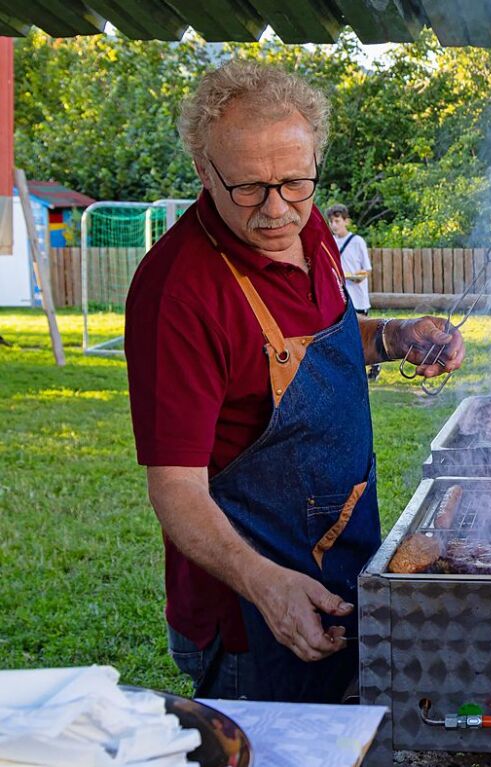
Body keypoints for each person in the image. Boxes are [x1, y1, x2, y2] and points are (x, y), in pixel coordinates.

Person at [123, 60, 464, 703]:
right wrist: (266, 584)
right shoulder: (180, 293)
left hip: (347, 555)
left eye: (294, 182)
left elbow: (327, 334)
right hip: (253, 612)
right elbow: (176, 493)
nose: (277, 210)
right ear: (205, 171)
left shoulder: (311, 230)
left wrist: (391, 337)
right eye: (249, 188)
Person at [325, 204, 379, 380]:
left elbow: (366, 270)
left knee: (362, 334)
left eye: (337, 221)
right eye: (331, 221)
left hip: (357, 296)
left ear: (346, 221)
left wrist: (353, 276)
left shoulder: (357, 241)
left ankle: (374, 364)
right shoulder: (329, 242)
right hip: (339, 297)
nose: (334, 225)